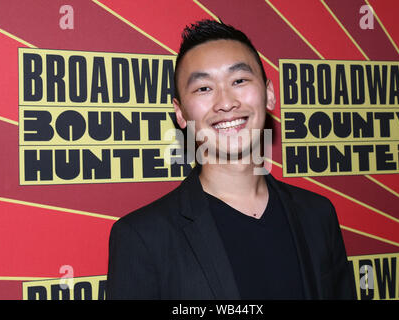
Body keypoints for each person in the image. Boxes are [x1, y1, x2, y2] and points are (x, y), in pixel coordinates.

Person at [106, 19, 356, 300]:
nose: (225, 102)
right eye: (203, 88)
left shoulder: (318, 214)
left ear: (269, 94)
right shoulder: (142, 238)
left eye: (239, 81)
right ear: (180, 113)